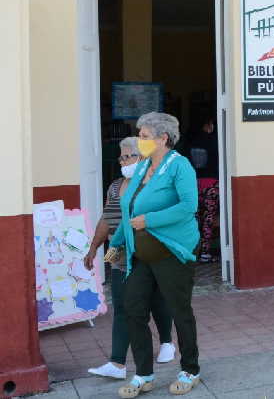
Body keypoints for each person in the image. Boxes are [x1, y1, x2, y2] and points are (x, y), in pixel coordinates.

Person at [109, 112, 201, 398]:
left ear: (163, 138)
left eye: (145, 136)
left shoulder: (180, 166)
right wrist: (116, 242)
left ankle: (190, 369)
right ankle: (144, 374)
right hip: (140, 252)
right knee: (133, 308)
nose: (140, 140)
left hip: (172, 250)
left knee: (178, 309)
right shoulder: (142, 166)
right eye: (139, 135)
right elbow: (129, 209)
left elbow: (189, 206)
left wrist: (150, 221)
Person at [84, 137, 175, 380]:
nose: (124, 161)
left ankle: (167, 341)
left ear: (143, 157)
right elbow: (106, 218)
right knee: (122, 307)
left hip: (148, 254)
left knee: (156, 301)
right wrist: (94, 247)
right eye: (121, 157)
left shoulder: (153, 185)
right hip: (120, 256)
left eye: (129, 156)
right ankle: (117, 363)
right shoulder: (114, 187)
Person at [187, 115, 220, 262]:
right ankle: (206, 253)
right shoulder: (215, 141)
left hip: (195, 185)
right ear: (207, 125)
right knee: (208, 218)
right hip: (212, 185)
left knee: (195, 219)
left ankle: (193, 251)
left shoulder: (190, 141)